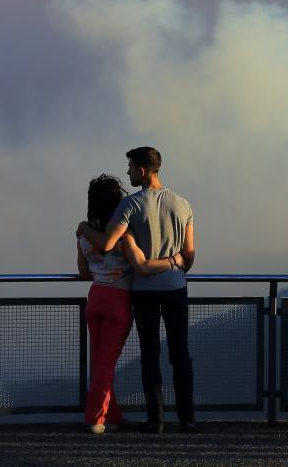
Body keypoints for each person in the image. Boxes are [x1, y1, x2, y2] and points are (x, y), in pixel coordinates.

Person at [77, 147, 196, 433]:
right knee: (180, 354)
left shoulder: (129, 205)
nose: (128, 172)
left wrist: (82, 227)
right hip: (176, 286)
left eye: (130, 167)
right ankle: (187, 419)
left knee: (150, 354)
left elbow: (106, 244)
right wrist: (174, 262)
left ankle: (155, 420)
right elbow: (189, 255)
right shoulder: (183, 204)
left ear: (142, 170)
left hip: (143, 291)